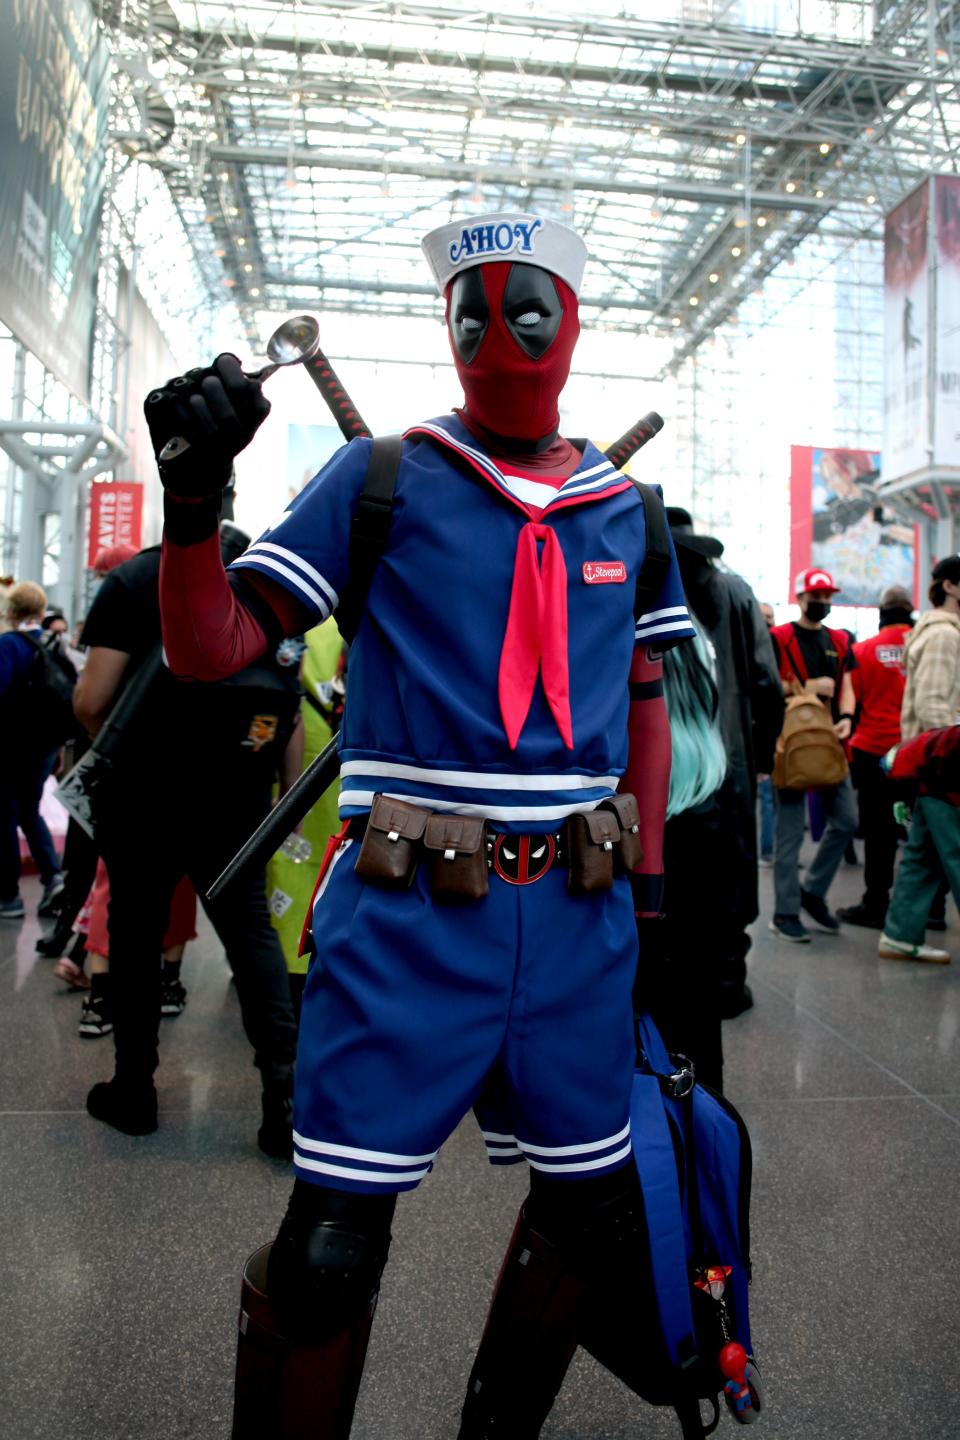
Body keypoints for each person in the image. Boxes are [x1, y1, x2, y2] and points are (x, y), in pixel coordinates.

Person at [147, 210, 696, 1437]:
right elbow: (210, 649)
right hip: (406, 915)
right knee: (327, 1252)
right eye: (473, 309)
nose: (500, 332)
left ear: (573, 320)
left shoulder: (629, 512)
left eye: (528, 306)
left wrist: (655, 903)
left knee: (593, 1220)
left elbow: (646, 713)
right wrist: (194, 500)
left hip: (582, 916)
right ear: (447, 326)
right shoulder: (380, 480)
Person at [73, 526, 300, 1155]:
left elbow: (92, 698)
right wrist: (278, 797)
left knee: (137, 933)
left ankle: (134, 1089)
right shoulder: (268, 585)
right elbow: (284, 715)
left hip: (143, 794)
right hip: (237, 797)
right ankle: (284, 1098)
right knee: (250, 933)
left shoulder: (135, 579)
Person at [666, 511, 784, 1022]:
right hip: (731, 758)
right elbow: (766, 681)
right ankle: (728, 982)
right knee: (730, 873)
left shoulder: (645, 580)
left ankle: (667, 979)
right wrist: (761, 751)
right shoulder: (734, 589)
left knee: (670, 873)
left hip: (664, 764)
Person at [768, 568, 858, 941]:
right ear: (801, 598)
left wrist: (849, 717)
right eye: (815, 597)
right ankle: (785, 912)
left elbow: (848, 685)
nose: (822, 603)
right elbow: (769, 685)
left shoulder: (839, 640)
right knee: (789, 833)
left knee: (848, 819)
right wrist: (808, 687)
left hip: (831, 742)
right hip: (792, 744)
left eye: (827, 597)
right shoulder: (779, 637)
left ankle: (813, 892)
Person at [878, 556, 960, 964]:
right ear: (949, 585)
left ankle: (899, 935)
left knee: (923, 856)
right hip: (945, 766)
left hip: (932, 765)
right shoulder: (945, 636)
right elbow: (933, 707)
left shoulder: (939, 632)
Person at [836, 585, 915, 928]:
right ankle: (934, 909)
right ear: (910, 611)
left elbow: (855, 701)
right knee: (924, 830)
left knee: (879, 835)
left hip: (873, 753)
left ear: (881, 612)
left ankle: (876, 905)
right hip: (916, 750)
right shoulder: (924, 643)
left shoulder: (863, 650)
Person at [0, 580, 71, 920]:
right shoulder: (54, 645)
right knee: (30, 811)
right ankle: (53, 877)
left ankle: (8, 896)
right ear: (41, 612)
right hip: (45, 746)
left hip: (10, 746)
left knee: (6, 814)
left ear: (11, 612)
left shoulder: (8, 645)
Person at [756, 601, 777, 865]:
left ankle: (768, 850)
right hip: (749, 738)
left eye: (771, 617)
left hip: (768, 739)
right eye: (764, 617)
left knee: (769, 799)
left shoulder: (773, 650)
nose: (768, 622)